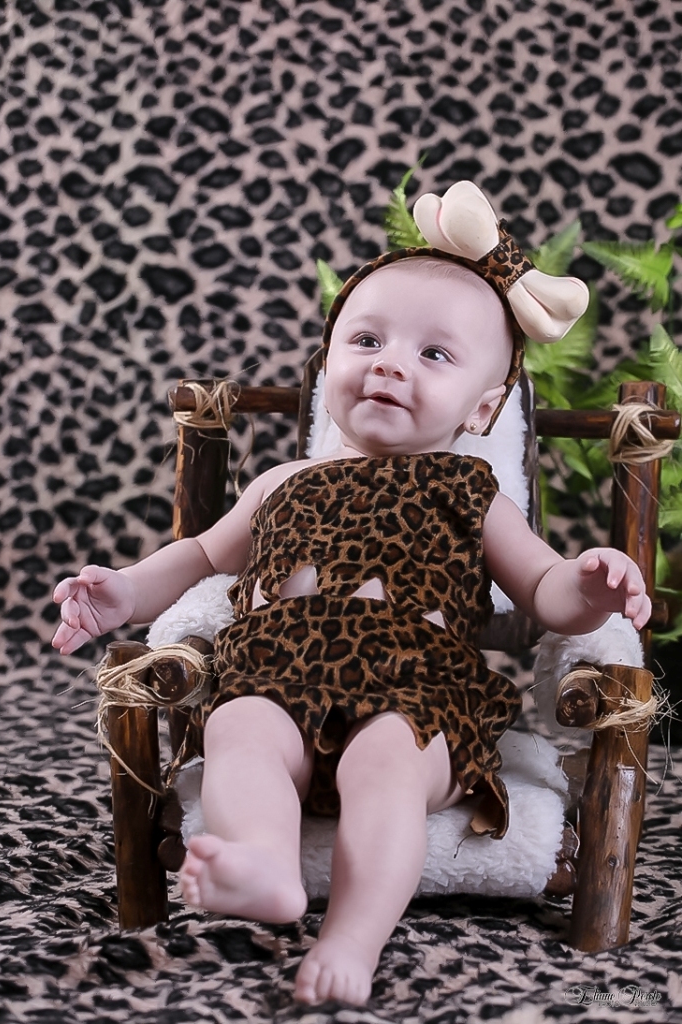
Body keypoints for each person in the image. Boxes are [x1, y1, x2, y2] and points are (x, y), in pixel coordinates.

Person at [52, 183, 651, 1007]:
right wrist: (122, 592)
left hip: (416, 691)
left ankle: (353, 936)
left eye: (434, 355)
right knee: (237, 731)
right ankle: (263, 861)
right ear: (328, 362)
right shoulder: (282, 480)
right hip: (272, 670)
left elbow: (544, 591)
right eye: (365, 339)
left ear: (483, 406)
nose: (390, 362)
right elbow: (199, 555)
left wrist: (589, 581)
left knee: (385, 766)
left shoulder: (470, 490)